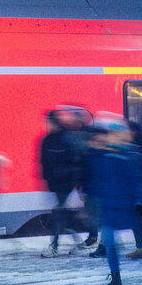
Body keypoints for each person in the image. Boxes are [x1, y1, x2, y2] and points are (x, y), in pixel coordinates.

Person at [83, 113, 142, 285]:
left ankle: (118, 277)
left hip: (121, 205)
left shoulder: (124, 156)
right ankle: (116, 278)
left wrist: (139, 200)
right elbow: (96, 180)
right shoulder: (104, 155)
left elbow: (135, 181)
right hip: (109, 206)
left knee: (112, 242)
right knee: (110, 242)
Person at [86, 120, 142, 260]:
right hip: (117, 199)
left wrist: (139, 200)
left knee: (131, 223)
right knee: (115, 227)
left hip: (128, 197)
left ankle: (135, 249)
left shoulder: (131, 152)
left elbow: (136, 179)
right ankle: (112, 254)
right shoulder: (112, 152)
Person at [39, 109, 83, 257]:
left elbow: (74, 160)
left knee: (59, 212)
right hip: (57, 182)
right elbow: (43, 162)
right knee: (61, 212)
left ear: (53, 122)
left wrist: (75, 181)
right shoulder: (51, 139)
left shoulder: (62, 138)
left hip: (65, 181)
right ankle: (76, 240)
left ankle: (55, 246)